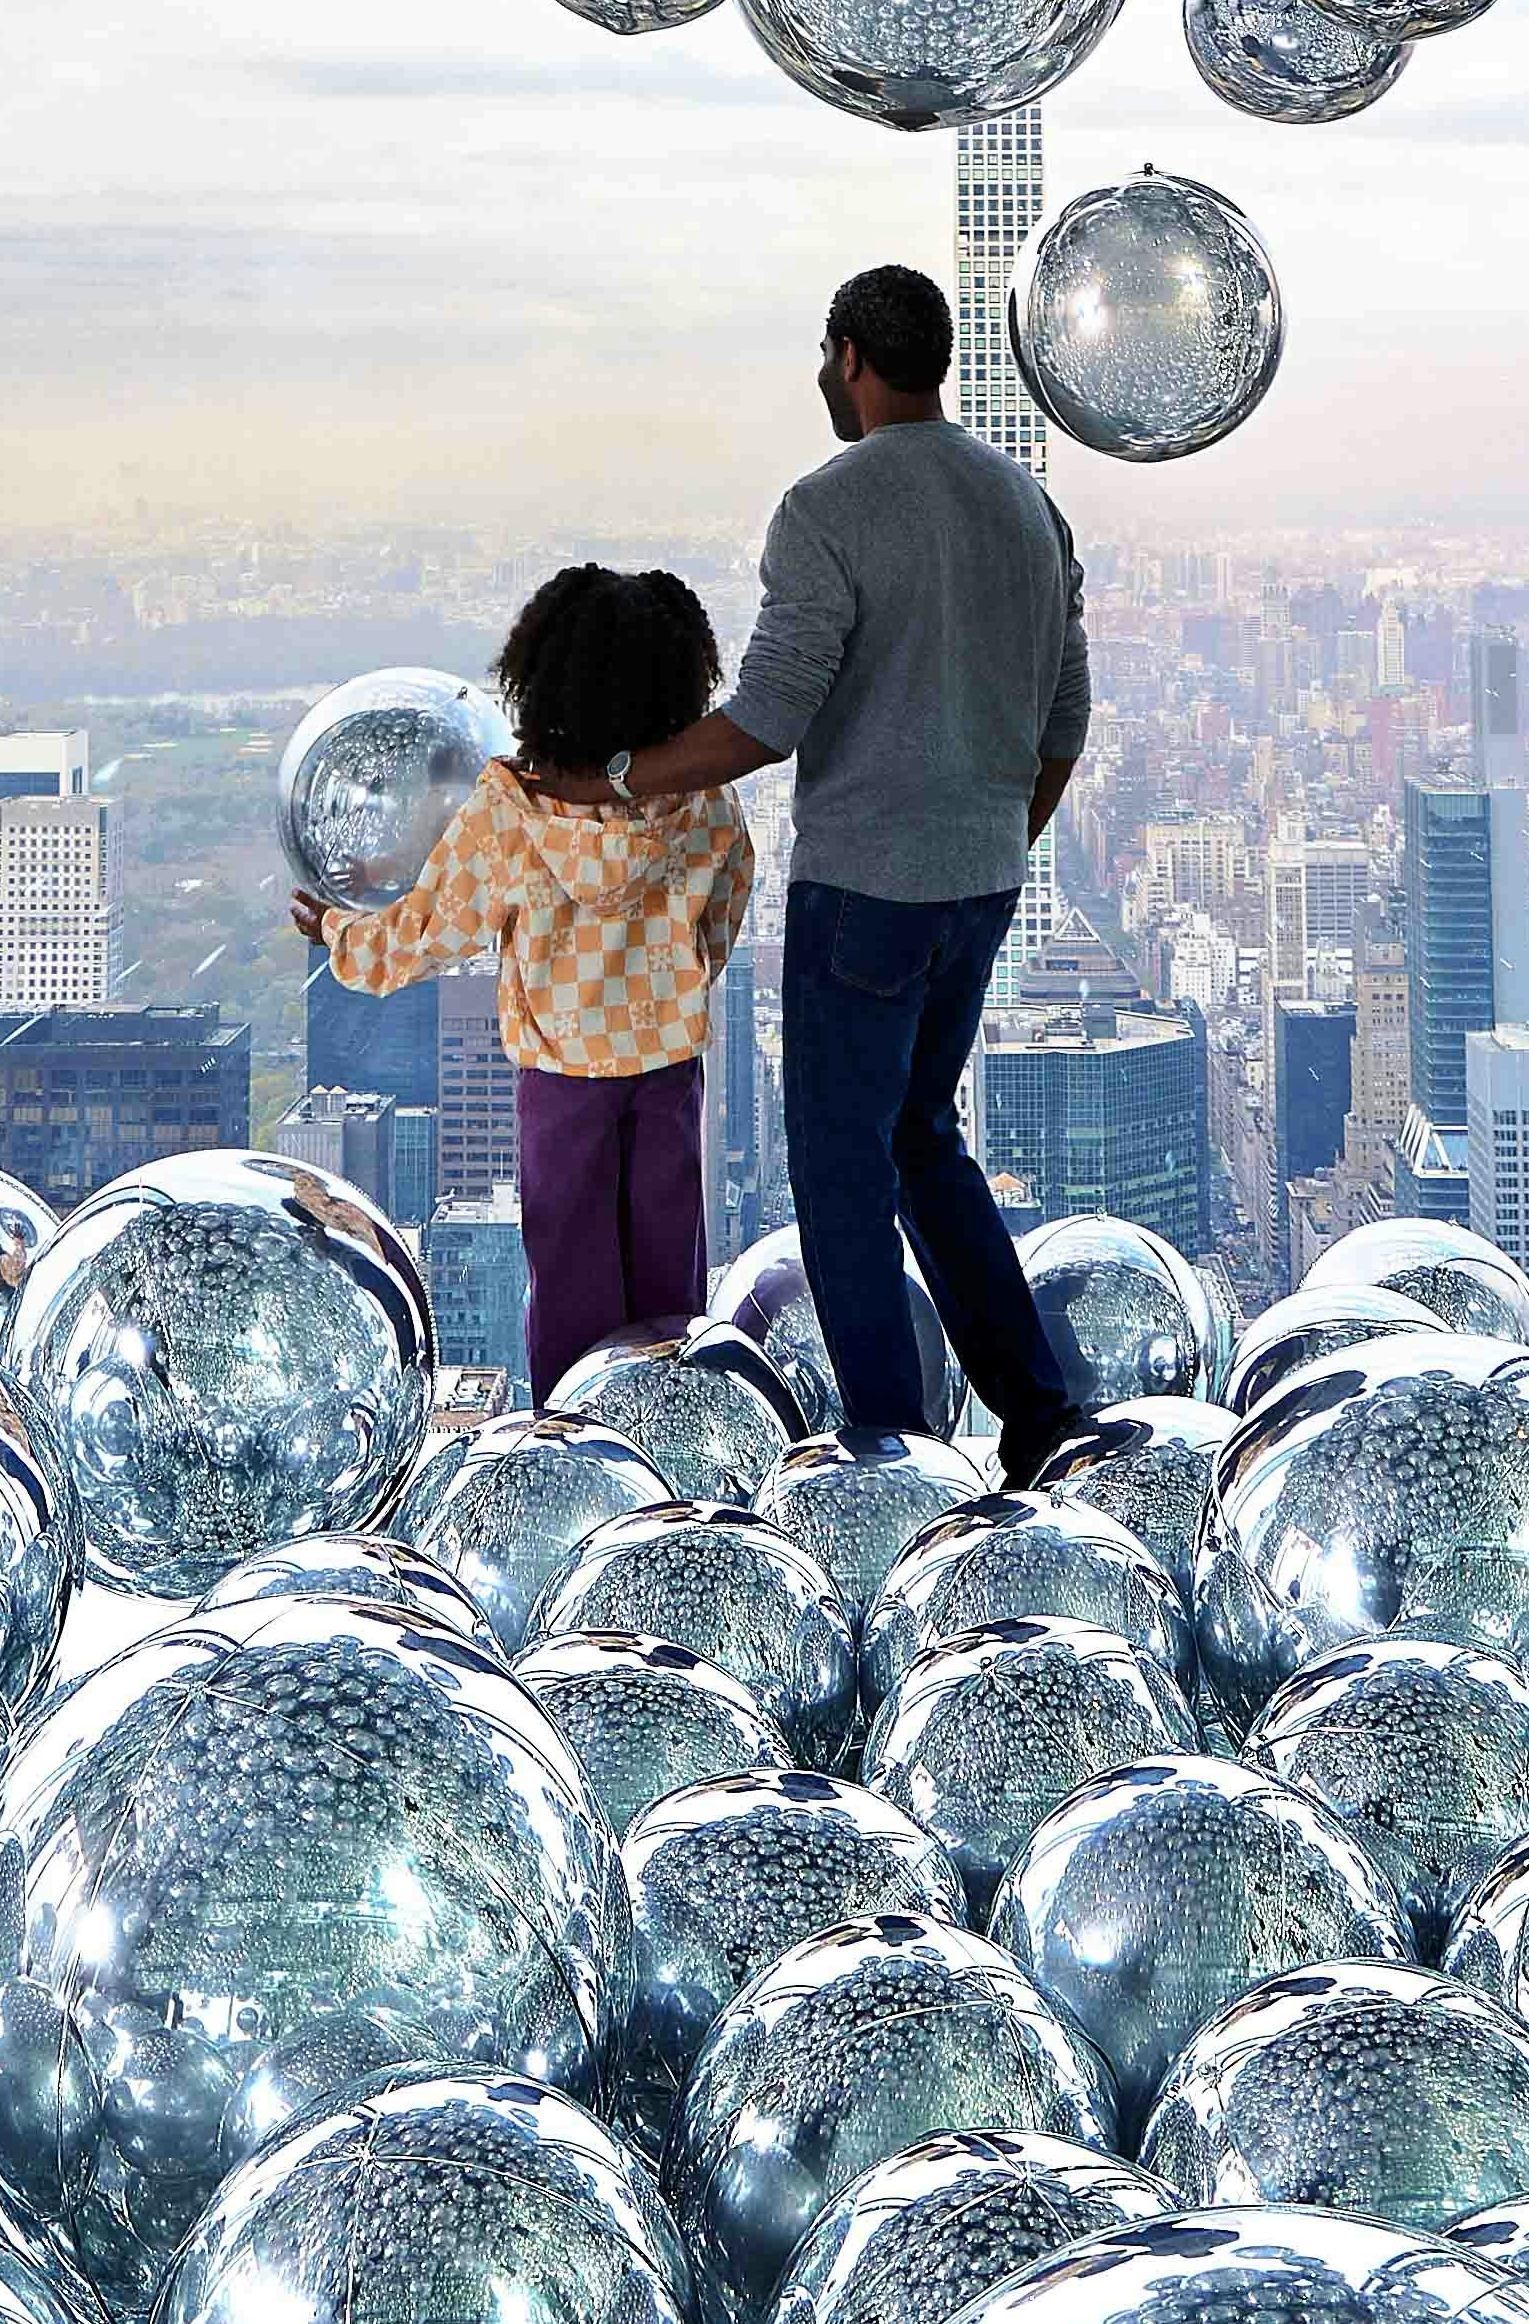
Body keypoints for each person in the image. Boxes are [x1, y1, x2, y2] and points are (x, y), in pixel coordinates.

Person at [535, 264, 1097, 1487]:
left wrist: (612, 777)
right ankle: (1034, 1408)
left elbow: (769, 718)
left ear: (846, 356)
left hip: (867, 893)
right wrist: (996, 837)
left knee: (842, 1162)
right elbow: (1064, 717)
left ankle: (895, 1449)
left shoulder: (825, 507)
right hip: (978, 879)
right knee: (920, 1138)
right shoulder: (1027, 507)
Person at [298, 563, 750, 1403]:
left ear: (542, 683)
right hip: (666, 1068)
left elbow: (423, 934)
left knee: (572, 1287)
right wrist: (673, 983)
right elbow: (724, 912)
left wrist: (336, 930)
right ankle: (673, 1445)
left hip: (563, 1080)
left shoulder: (509, 810)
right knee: (667, 1287)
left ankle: (580, 1456)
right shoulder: (701, 799)